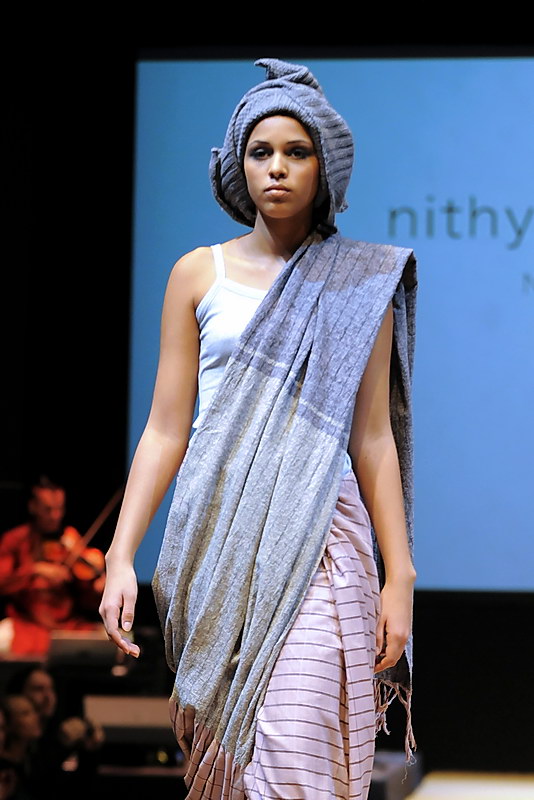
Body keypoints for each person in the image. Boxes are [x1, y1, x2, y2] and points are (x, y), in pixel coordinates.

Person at [99, 58, 418, 800]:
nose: (276, 168)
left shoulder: (358, 283)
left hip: (320, 544)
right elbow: (166, 430)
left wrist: (399, 576)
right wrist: (120, 554)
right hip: (217, 544)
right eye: (260, 151)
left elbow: (372, 438)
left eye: (296, 152)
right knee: (235, 771)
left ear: (325, 166)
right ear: (238, 165)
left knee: (295, 755)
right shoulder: (197, 274)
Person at [0, 476, 106, 656]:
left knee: (117, 640)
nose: (56, 516)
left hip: (68, 624)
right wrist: (35, 569)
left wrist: (97, 590)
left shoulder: (71, 542)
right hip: (28, 623)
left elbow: (86, 598)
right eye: (48, 510)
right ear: (33, 507)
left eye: (60, 509)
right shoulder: (15, 539)